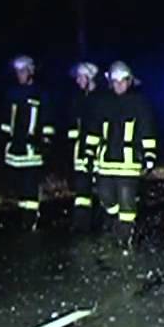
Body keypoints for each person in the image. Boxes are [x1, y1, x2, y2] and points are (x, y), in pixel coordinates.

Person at [87, 61, 157, 246]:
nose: (119, 85)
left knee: (127, 203)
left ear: (129, 81)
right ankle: (117, 222)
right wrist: (89, 154)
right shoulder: (103, 103)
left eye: (123, 81)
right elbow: (94, 131)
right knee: (105, 197)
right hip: (105, 162)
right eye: (115, 81)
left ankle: (125, 239)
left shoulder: (139, 103)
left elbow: (146, 131)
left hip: (129, 163)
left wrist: (149, 156)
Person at [0, 55, 54, 230]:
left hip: (33, 148)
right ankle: (23, 217)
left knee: (31, 185)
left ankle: (30, 219)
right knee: (19, 185)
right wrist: (3, 140)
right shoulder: (11, 93)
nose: (19, 75)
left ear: (31, 71)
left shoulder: (41, 94)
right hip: (15, 148)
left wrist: (45, 141)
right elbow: (6, 120)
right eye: (17, 72)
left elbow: (47, 119)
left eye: (23, 71)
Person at [66, 62, 103, 231]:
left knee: (100, 188)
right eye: (77, 78)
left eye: (81, 77)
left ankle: (101, 223)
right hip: (80, 151)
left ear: (90, 78)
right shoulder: (78, 99)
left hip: (98, 151)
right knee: (81, 191)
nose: (78, 81)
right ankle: (81, 224)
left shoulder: (100, 99)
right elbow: (74, 128)